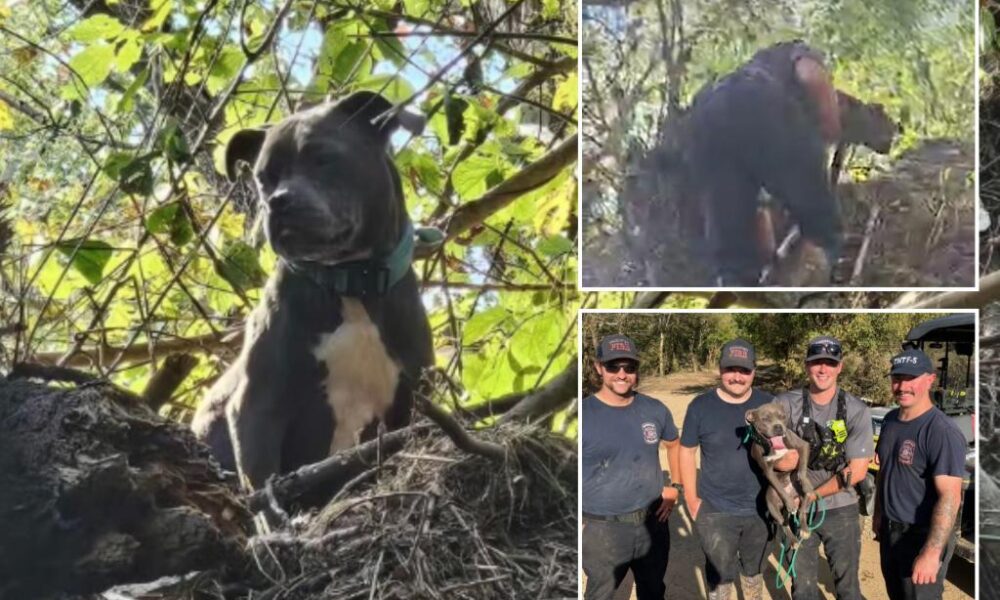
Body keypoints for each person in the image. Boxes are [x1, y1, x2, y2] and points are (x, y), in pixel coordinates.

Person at [683, 41, 842, 285]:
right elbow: (812, 77)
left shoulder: (743, 81)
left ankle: (736, 289)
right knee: (822, 227)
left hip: (704, 117)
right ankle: (814, 298)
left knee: (734, 261)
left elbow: (754, 210)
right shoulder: (794, 50)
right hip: (758, 98)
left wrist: (768, 261)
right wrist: (829, 127)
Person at [582, 334, 682, 600]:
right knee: (600, 594)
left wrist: (675, 486)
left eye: (630, 367)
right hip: (603, 529)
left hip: (653, 523)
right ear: (599, 367)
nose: (622, 374)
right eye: (614, 366)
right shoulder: (582, 415)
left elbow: (674, 444)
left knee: (653, 591)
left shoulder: (654, 410)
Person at [773, 335, 873, 600]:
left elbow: (858, 472)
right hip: (795, 511)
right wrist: (781, 458)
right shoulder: (785, 403)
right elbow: (761, 444)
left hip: (840, 509)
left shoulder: (856, 409)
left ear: (839, 367)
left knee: (848, 588)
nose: (823, 369)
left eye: (830, 363)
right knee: (803, 589)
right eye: (817, 362)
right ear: (807, 365)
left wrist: (811, 496)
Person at [680, 339, 773, 600]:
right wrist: (691, 499)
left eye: (744, 370)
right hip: (716, 509)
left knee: (754, 574)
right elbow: (686, 451)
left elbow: (785, 452)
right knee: (720, 580)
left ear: (754, 371)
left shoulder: (769, 405)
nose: (737, 377)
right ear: (720, 369)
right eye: (731, 369)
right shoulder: (700, 406)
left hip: (761, 509)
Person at [874, 349, 965, 600]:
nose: (902, 386)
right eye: (897, 378)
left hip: (921, 536)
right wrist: (880, 513)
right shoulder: (891, 420)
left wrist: (931, 552)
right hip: (891, 532)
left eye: (910, 378)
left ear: (929, 379)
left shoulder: (941, 431)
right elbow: (886, 470)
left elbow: (950, 497)